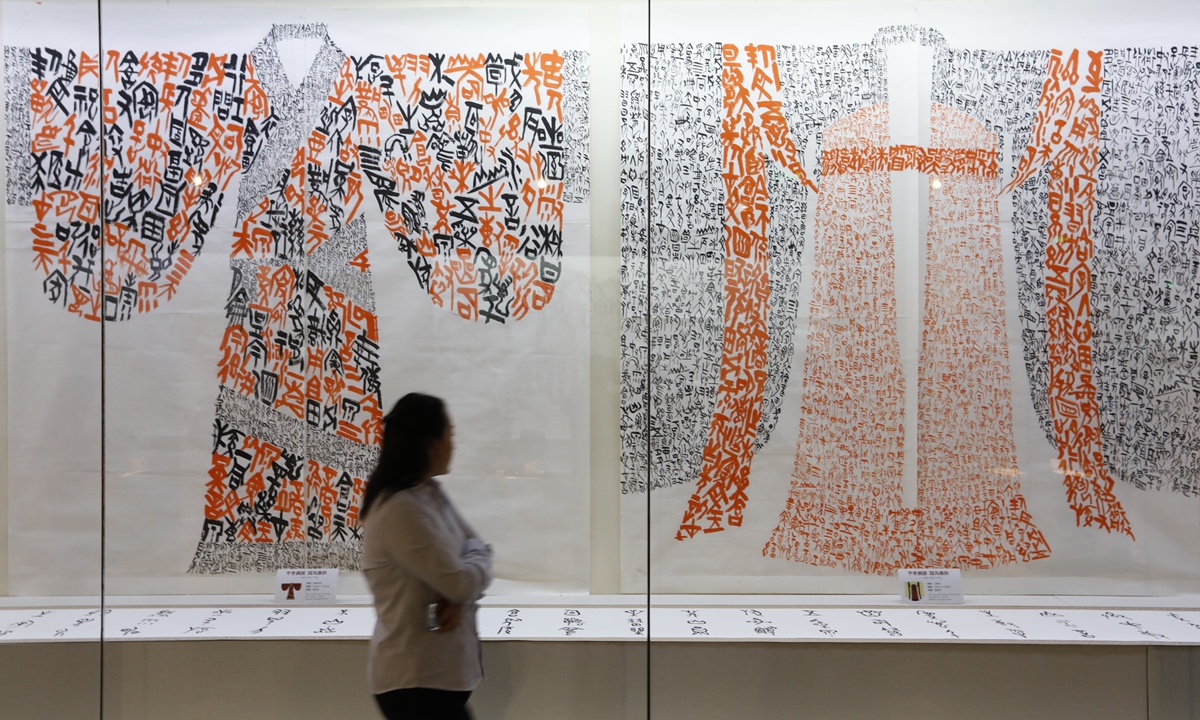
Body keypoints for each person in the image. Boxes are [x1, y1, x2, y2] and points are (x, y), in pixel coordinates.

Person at [362, 393, 493, 720]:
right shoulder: (400, 509)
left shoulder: (429, 494)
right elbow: (460, 580)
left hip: (435, 680)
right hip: (416, 682)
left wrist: (460, 589)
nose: (454, 445)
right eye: (451, 435)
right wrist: (460, 585)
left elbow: (478, 549)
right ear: (430, 444)